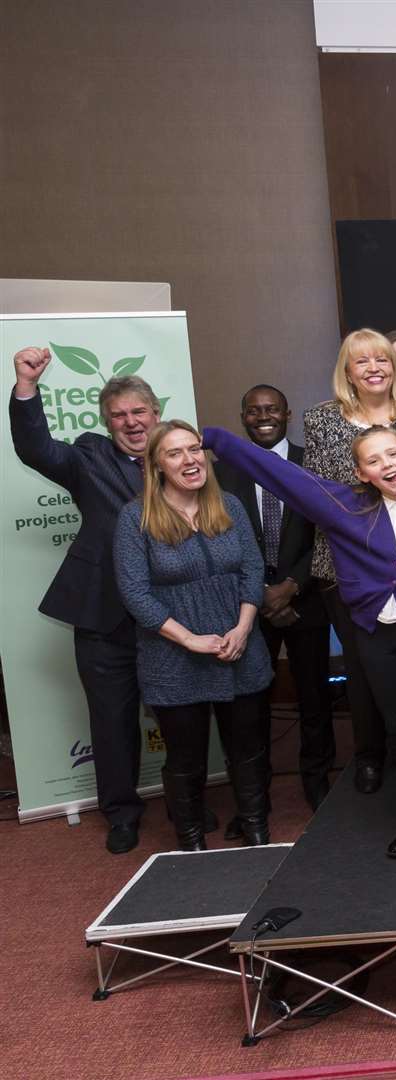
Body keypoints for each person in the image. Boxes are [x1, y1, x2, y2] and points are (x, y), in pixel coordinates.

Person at [205, 423, 396, 875]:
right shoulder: (348, 508)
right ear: (361, 472)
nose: (387, 465)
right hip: (374, 637)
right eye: (374, 460)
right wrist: (216, 439)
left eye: (393, 454)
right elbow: (281, 475)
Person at [11, 345, 160, 853]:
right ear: (107, 423)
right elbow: (37, 451)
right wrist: (27, 386)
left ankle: (190, 803)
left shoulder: (184, 458)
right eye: (119, 415)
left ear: (156, 414)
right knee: (112, 719)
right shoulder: (89, 456)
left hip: (170, 617)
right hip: (104, 616)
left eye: (139, 412)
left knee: (182, 713)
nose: (130, 422)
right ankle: (120, 813)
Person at [302, 328, 396, 796]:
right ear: (346, 371)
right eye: (361, 361)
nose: (373, 369)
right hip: (352, 570)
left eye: (381, 359)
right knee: (368, 673)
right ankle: (370, 756)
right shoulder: (323, 421)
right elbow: (318, 496)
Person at [113, 421, 274, 851]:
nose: (190, 459)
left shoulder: (231, 506)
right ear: (157, 466)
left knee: (249, 748)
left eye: (195, 449)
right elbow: (134, 593)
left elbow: (252, 570)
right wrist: (190, 640)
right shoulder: (136, 518)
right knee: (185, 758)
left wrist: (243, 627)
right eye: (175, 453)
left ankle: (257, 829)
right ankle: (191, 843)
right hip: (173, 658)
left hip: (241, 648)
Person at [212, 384, 334, 812]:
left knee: (315, 698)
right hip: (247, 607)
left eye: (272, 410)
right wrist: (259, 594)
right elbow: (218, 540)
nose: (263, 417)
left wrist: (291, 586)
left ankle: (318, 784)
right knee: (251, 706)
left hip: (306, 599)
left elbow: (326, 530)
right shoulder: (220, 470)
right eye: (253, 411)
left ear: (287, 414)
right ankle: (253, 794)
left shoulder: (311, 465)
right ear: (243, 417)